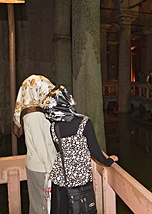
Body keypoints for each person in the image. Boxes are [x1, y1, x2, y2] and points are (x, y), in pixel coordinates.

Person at [43, 85, 118, 214]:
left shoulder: (54, 126)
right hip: (79, 180)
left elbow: (59, 150)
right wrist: (109, 161)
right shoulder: (84, 122)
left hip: (60, 180)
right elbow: (95, 151)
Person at [13, 74, 57, 214]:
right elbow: (41, 145)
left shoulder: (35, 111)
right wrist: (51, 170)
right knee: (41, 206)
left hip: (39, 165)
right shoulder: (34, 114)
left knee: (40, 204)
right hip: (41, 167)